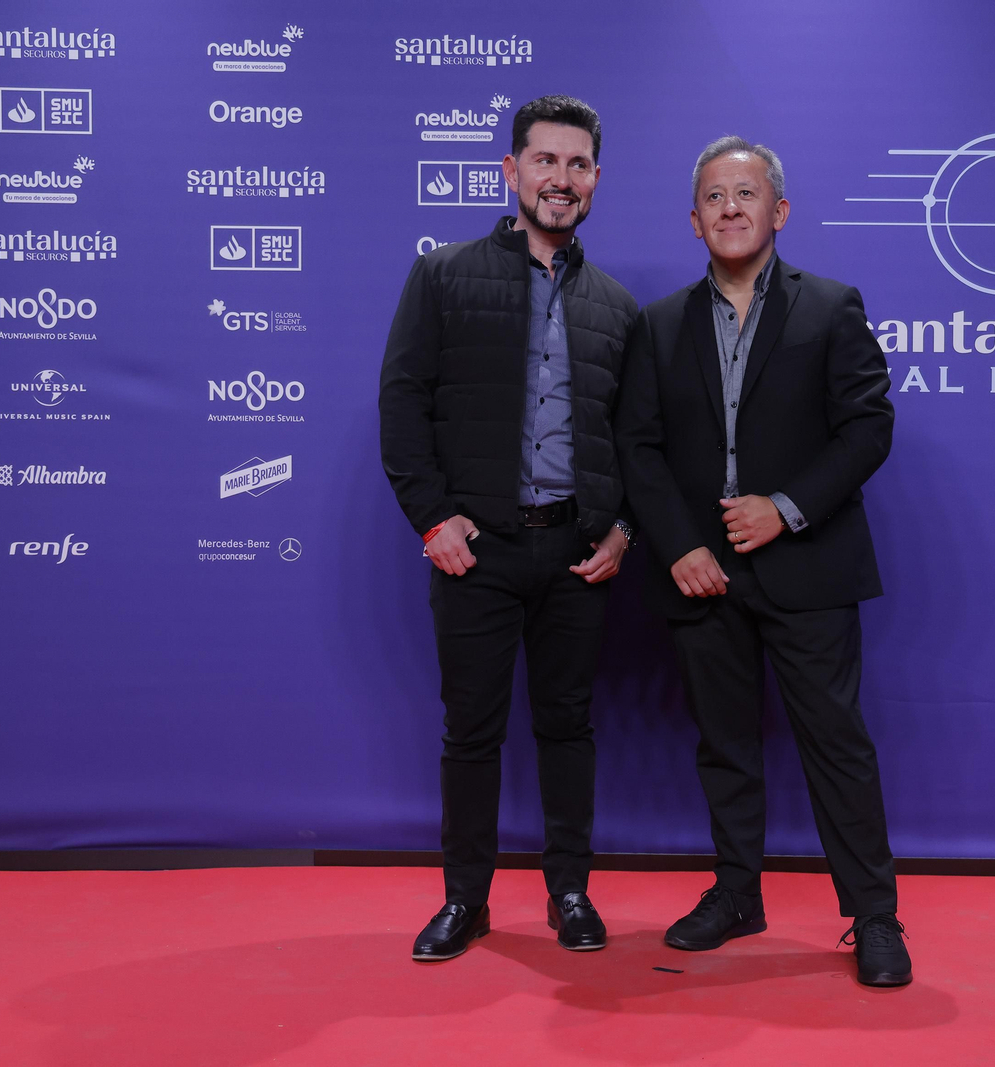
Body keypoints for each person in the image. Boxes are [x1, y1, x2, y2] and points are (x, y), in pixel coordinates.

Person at [615, 136, 910, 986]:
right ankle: (737, 894)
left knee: (837, 743)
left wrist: (783, 510)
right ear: (695, 219)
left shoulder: (831, 306)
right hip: (702, 575)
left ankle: (874, 914)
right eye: (715, 196)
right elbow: (637, 447)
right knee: (724, 743)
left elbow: (867, 429)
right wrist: (682, 547)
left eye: (747, 194)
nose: (731, 209)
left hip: (809, 564)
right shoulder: (659, 323)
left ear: (778, 212)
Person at [379, 95, 637, 961]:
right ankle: (465, 900)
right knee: (471, 731)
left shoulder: (615, 306)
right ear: (511, 171)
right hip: (476, 553)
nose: (560, 179)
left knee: (568, 727)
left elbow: (633, 438)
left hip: (573, 555)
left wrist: (622, 528)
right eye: (545, 161)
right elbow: (402, 403)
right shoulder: (444, 275)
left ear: (594, 179)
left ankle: (570, 893)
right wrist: (432, 519)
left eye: (577, 165)